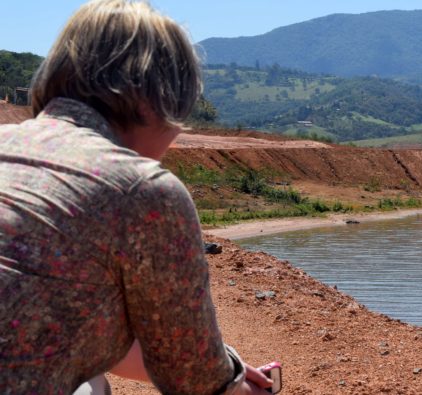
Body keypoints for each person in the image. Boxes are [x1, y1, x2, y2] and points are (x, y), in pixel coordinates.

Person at [0, 1, 273, 394]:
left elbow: (68, 331)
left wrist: (228, 363)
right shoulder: (142, 190)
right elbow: (196, 382)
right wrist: (237, 386)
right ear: (156, 97)